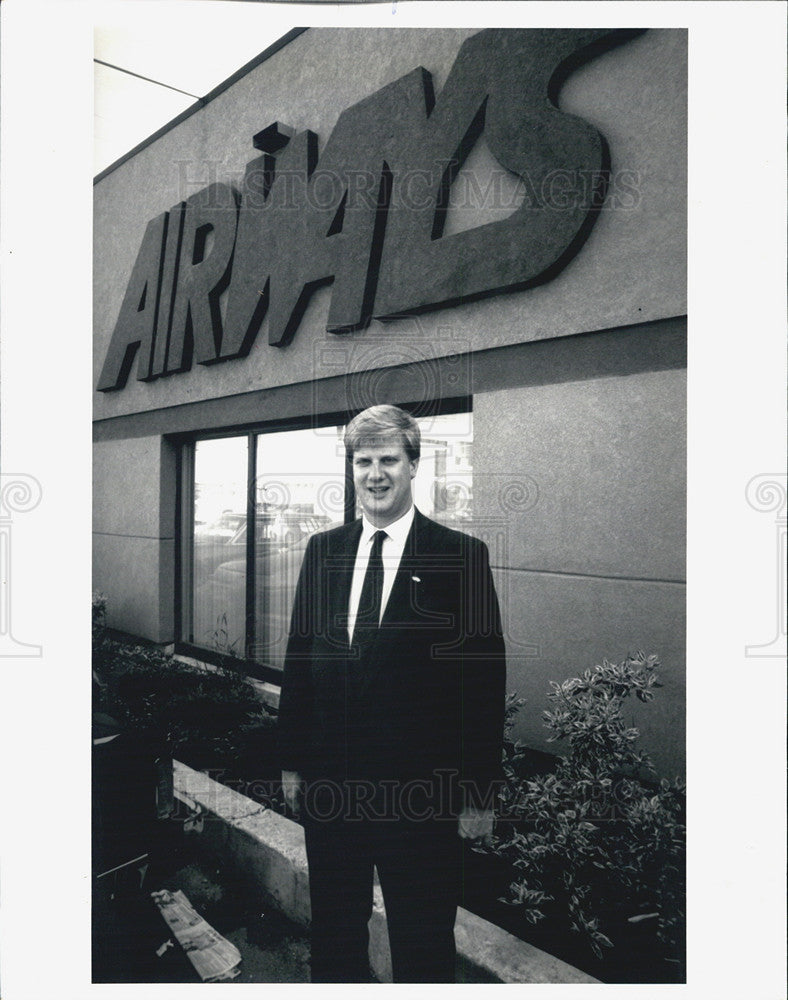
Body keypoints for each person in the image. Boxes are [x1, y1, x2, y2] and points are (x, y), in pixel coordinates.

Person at [278, 404, 506, 983]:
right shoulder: (323, 551)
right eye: (363, 461)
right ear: (351, 469)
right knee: (333, 934)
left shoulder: (460, 557)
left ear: (412, 466)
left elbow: (481, 685)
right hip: (332, 787)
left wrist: (478, 793)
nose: (374, 474)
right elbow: (300, 661)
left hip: (420, 797)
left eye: (387, 460)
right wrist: (290, 761)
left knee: (423, 943)